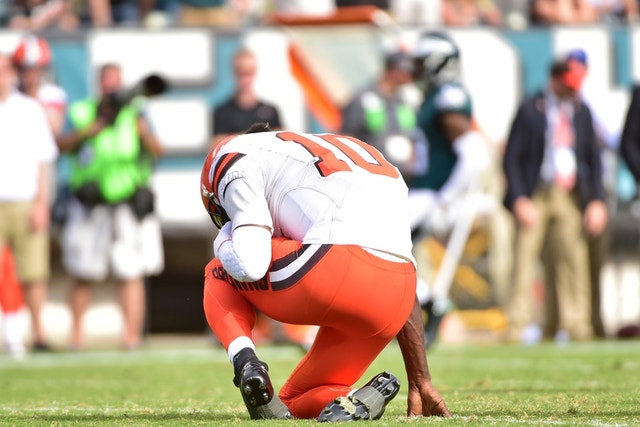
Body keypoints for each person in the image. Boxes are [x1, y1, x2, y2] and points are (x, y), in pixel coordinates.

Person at [200, 122, 451, 421]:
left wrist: (225, 235)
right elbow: (399, 262)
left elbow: (248, 263)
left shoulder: (230, 154)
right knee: (290, 402)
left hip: (335, 269)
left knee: (218, 269)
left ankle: (246, 363)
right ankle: (354, 401)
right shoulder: (348, 152)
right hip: (397, 293)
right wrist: (420, 379)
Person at [56, 63, 165, 350]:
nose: (111, 87)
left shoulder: (134, 113)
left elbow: (158, 151)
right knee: (82, 270)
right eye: (106, 81)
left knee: (131, 271)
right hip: (92, 201)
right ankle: (76, 336)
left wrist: (144, 131)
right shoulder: (83, 112)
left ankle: (131, 336)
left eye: (115, 82)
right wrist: (91, 130)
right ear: (98, 84)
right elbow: (61, 145)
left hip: (127, 200)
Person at [502, 56, 608, 344]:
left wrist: (596, 201)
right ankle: (517, 324)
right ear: (556, 78)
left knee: (572, 261)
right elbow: (512, 158)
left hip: (570, 194)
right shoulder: (530, 108)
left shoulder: (581, 111)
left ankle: (575, 323)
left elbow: (594, 159)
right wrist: (519, 198)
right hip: (537, 192)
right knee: (524, 260)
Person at [407, 31, 493, 347]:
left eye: (420, 63)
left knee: (381, 250)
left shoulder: (449, 97)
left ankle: (430, 303)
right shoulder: (433, 97)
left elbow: (474, 154)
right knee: (393, 257)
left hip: (430, 195)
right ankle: (430, 302)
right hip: (422, 192)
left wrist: (446, 198)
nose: (414, 70)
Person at [0, 52, 58, 354]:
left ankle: (38, 333)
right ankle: (9, 336)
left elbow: (43, 160)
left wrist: (41, 203)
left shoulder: (31, 109)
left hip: (24, 200)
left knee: (33, 272)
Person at [340, 50, 424, 179]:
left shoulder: (406, 100)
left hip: (404, 177)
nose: (409, 76)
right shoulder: (364, 98)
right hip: (371, 175)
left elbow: (412, 134)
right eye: (406, 71)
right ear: (392, 69)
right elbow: (347, 135)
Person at [211, 48, 282, 147]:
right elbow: (216, 145)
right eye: (242, 73)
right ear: (234, 73)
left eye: (249, 73)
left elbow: (281, 142)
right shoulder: (222, 113)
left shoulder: (270, 111)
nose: (246, 79)